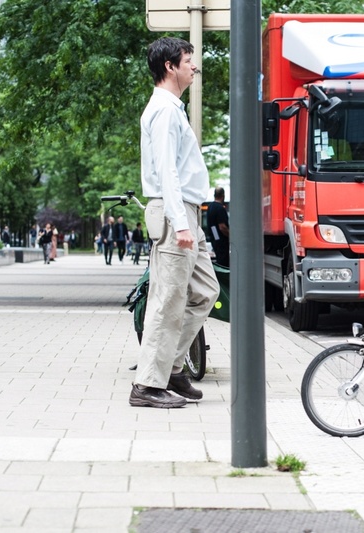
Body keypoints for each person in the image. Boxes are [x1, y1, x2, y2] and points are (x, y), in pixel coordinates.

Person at [131, 36, 220, 409]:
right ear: (170, 66)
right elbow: (167, 171)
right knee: (167, 300)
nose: (193, 66)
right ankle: (148, 385)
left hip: (187, 214)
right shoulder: (165, 110)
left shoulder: (172, 108)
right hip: (176, 215)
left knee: (205, 291)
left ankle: (173, 368)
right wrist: (180, 223)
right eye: (188, 61)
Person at [206, 186, 230, 267]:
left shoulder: (210, 207)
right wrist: (231, 236)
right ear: (223, 195)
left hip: (215, 240)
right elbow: (222, 227)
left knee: (219, 262)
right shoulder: (220, 208)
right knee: (224, 263)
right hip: (222, 242)